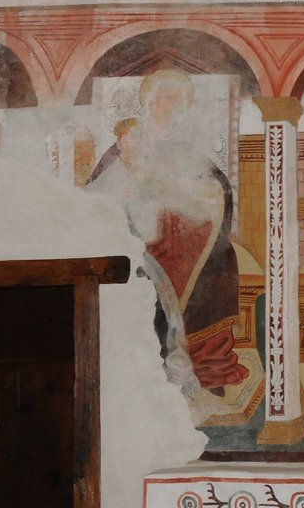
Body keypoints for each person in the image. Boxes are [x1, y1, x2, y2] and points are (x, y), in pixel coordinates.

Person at [86, 70, 248, 397]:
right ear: (148, 101)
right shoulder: (127, 141)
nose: (167, 105)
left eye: (175, 99)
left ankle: (206, 365)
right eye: (162, 97)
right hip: (136, 237)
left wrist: (184, 196)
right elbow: (99, 196)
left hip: (185, 237)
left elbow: (217, 189)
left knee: (220, 263)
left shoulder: (185, 146)